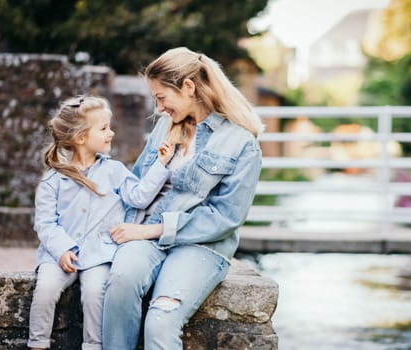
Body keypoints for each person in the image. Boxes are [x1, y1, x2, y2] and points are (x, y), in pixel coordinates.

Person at [102, 47, 264, 349]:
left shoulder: (241, 143)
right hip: (146, 236)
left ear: (188, 87)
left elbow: (225, 218)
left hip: (200, 246)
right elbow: (139, 183)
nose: (159, 108)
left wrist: (153, 230)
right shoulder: (165, 126)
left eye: (162, 97)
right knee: (120, 284)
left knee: (161, 321)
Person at [28, 95, 174, 350]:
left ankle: (93, 346)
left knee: (95, 294)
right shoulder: (53, 180)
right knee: (46, 290)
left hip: (100, 253)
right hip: (59, 255)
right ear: (81, 137)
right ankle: (38, 344)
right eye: (104, 128)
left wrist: (161, 165)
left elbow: (139, 197)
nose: (111, 132)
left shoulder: (114, 171)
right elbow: (45, 223)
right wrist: (62, 249)